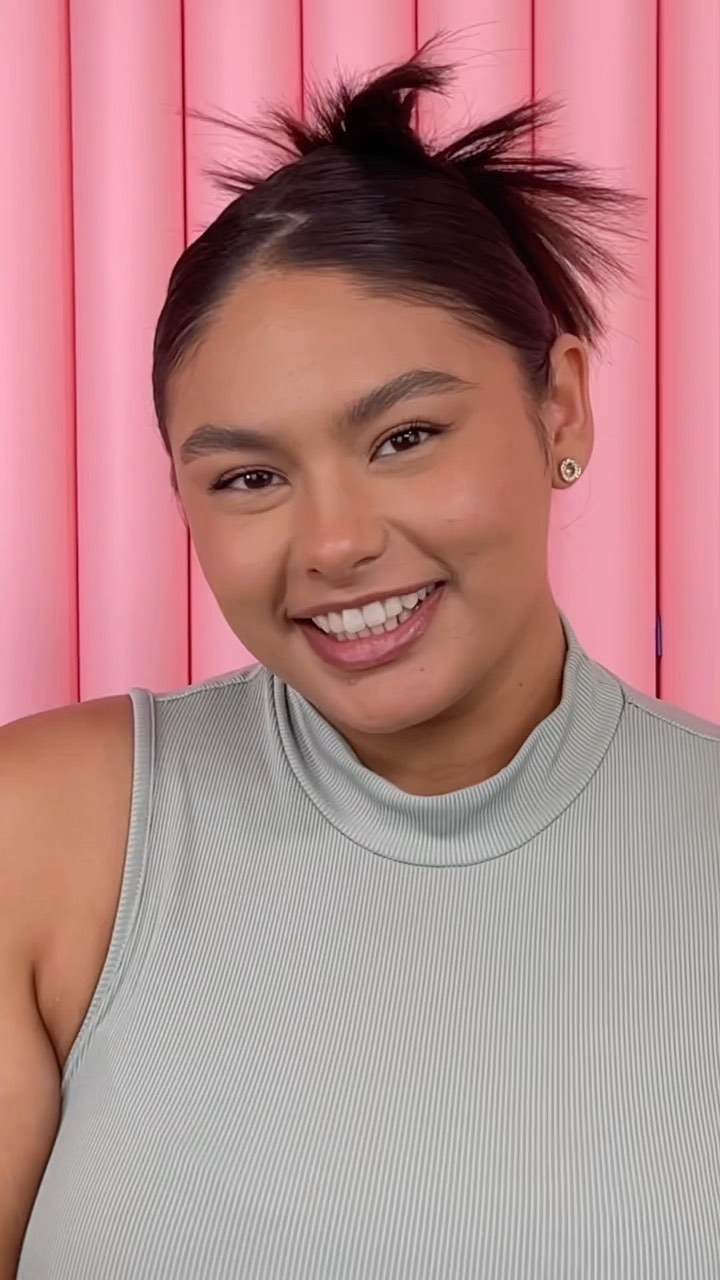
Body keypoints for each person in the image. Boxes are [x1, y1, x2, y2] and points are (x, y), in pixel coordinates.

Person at [3, 45, 719, 1280]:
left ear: (560, 406)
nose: (334, 542)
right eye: (249, 477)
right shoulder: (49, 833)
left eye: (405, 436)